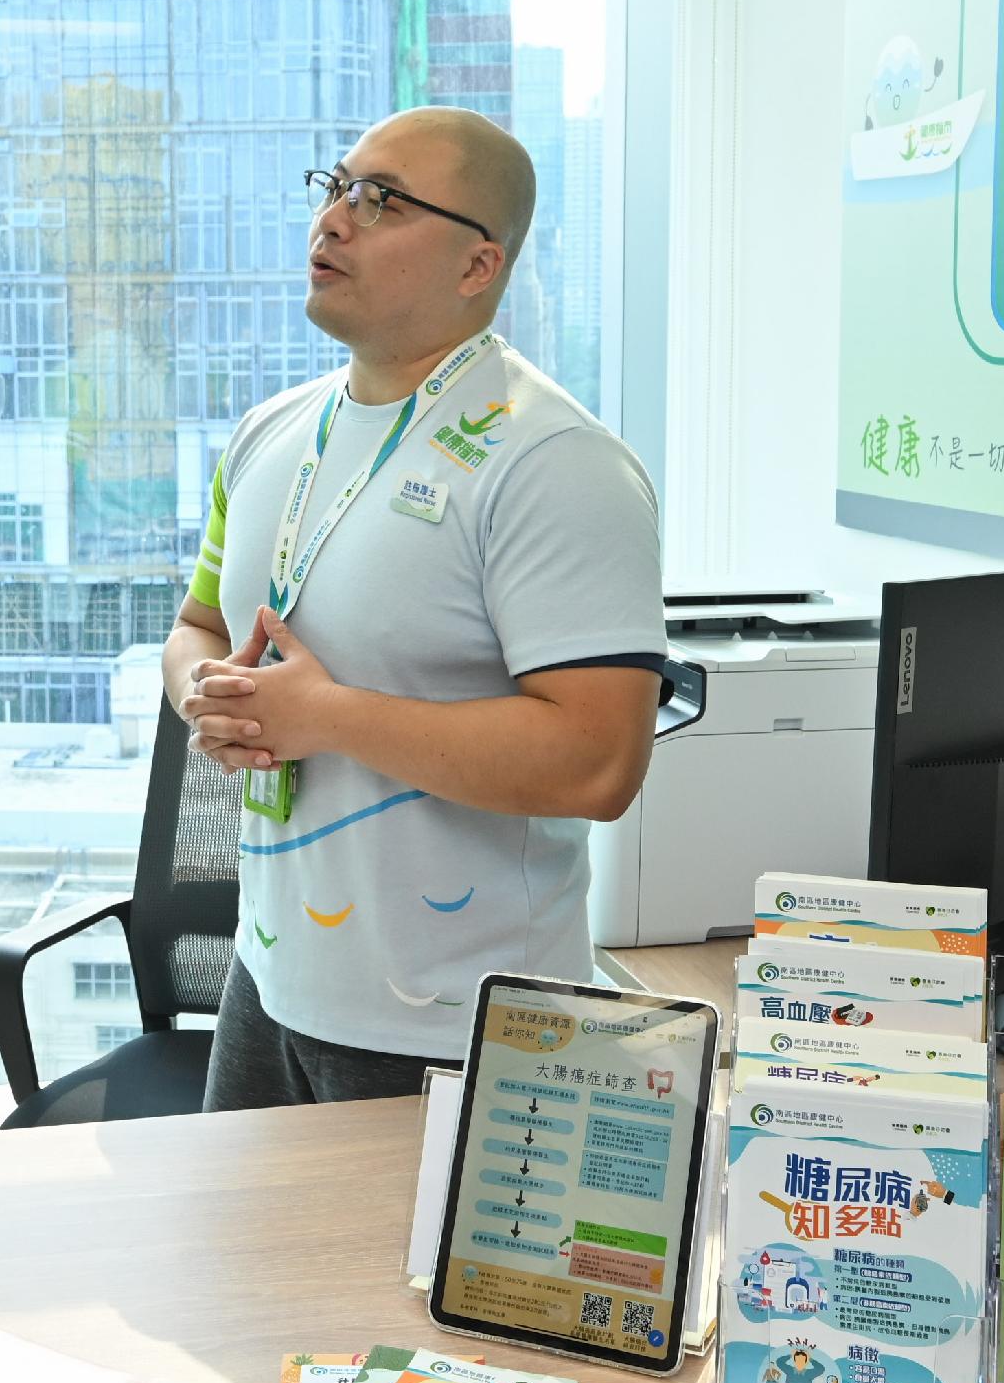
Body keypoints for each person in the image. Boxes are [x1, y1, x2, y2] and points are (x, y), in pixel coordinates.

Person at [165, 107, 662, 1105]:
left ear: (477, 266)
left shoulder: (554, 462)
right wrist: (200, 693)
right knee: (255, 1267)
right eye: (335, 186)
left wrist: (325, 715)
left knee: (405, 1274)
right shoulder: (271, 432)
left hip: (463, 1019)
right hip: (268, 981)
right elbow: (203, 624)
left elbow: (600, 761)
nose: (335, 220)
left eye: (381, 200)